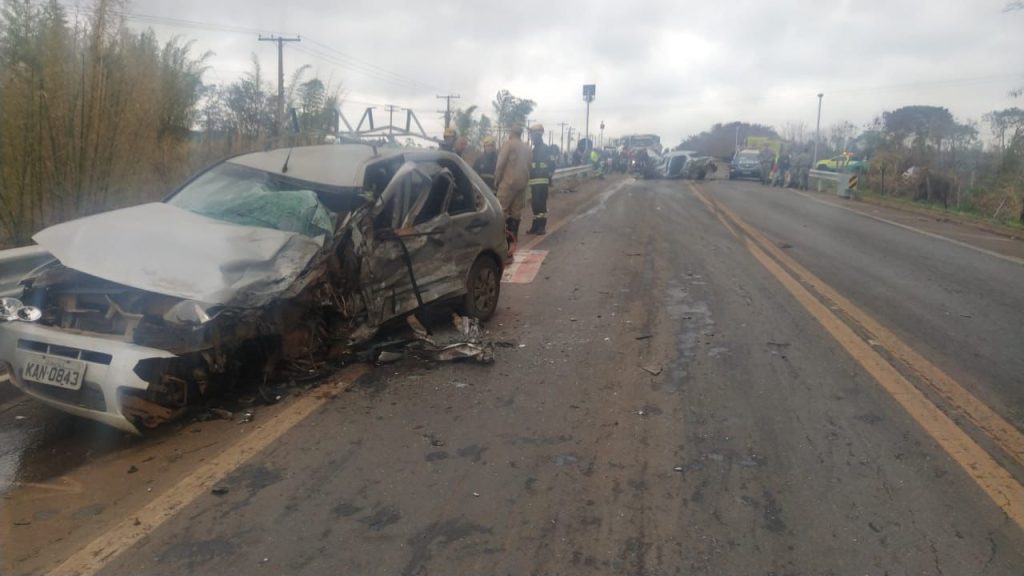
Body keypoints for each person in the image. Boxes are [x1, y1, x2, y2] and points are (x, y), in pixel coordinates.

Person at [494, 125, 531, 254]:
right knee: (516, 212)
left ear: (511, 132)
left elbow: (500, 164)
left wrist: (497, 181)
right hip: (522, 184)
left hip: (508, 183)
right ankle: (513, 237)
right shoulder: (526, 148)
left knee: (501, 210)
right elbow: (529, 165)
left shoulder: (508, 145)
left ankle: (499, 238)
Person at [527, 124, 555, 235]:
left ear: (538, 135)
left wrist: (548, 176)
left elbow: (552, 165)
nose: (531, 137)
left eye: (532, 135)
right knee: (535, 204)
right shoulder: (534, 150)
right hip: (534, 182)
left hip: (542, 181)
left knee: (540, 204)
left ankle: (541, 226)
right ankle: (535, 226)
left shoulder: (546, 149)